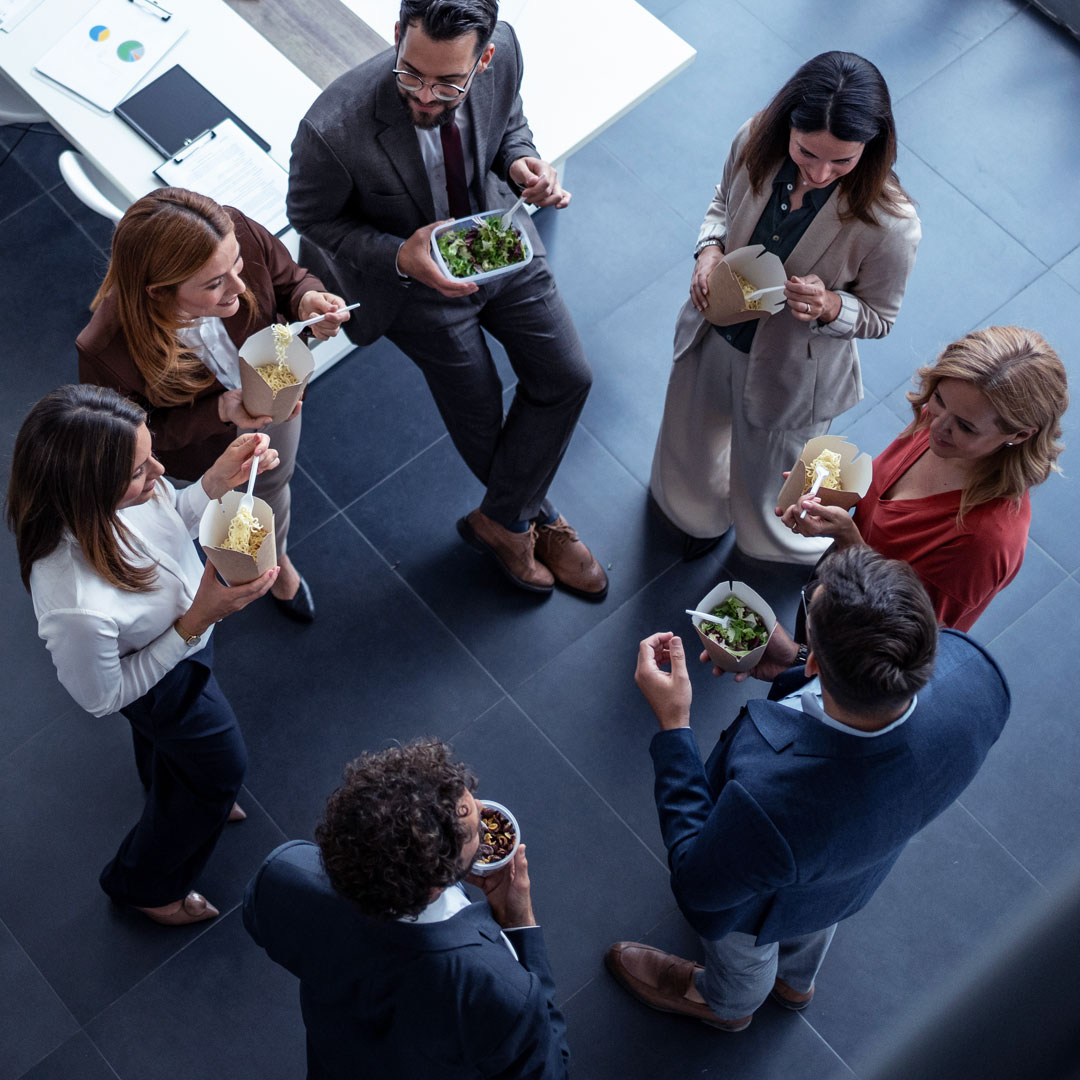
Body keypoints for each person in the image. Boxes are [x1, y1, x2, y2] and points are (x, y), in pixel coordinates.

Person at [606, 547, 1009, 1031]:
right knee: (816, 912)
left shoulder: (770, 803)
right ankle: (796, 981)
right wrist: (794, 662)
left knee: (743, 951)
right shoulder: (977, 674)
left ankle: (727, 1004)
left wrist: (675, 726)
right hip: (852, 876)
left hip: (757, 900)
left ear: (818, 662)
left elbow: (697, 885)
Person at [287, 0, 607, 600]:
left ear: (483, 59)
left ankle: (505, 520)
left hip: (495, 236)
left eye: (448, 83)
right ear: (397, 36)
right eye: (411, 73)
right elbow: (310, 216)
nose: (426, 95)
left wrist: (520, 161)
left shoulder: (504, 53)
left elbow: (508, 121)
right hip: (411, 284)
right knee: (480, 416)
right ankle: (531, 520)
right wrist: (398, 256)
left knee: (569, 376)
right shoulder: (331, 128)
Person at [6, 385, 279, 925]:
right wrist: (197, 620)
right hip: (160, 681)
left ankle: (171, 781)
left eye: (150, 453)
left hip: (182, 642)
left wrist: (213, 483)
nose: (159, 471)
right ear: (90, 489)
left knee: (174, 753)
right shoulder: (75, 605)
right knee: (221, 769)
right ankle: (144, 886)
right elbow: (103, 698)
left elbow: (169, 517)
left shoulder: (132, 490)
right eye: (139, 471)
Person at [649, 51, 921, 564]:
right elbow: (721, 203)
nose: (819, 173)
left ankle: (773, 544)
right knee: (690, 437)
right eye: (806, 152)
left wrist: (830, 305)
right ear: (787, 124)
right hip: (713, 327)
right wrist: (709, 250)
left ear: (873, 145)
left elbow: (880, 317)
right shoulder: (754, 140)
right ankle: (693, 513)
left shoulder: (891, 223)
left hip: (792, 364)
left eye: (842, 161)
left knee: (768, 472)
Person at [77, 187, 352, 623]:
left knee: (273, 484)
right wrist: (220, 411)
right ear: (158, 292)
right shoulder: (105, 350)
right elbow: (133, 439)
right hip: (201, 442)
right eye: (214, 284)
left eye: (236, 266)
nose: (239, 288)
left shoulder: (232, 230)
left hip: (275, 393)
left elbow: (288, 280)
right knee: (222, 506)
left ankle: (277, 558)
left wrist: (307, 299)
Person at [243, 740, 569, 1079]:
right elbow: (550, 1071)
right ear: (434, 885)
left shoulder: (286, 872)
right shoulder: (500, 991)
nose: (482, 809)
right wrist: (519, 923)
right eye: (475, 831)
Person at [781, 325, 1068, 631]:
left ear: (1020, 435)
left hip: (854, 633)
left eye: (965, 426)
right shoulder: (944, 426)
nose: (936, 426)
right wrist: (828, 492)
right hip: (835, 579)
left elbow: (907, 632)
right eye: (939, 399)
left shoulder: (984, 542)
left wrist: (849, 541)